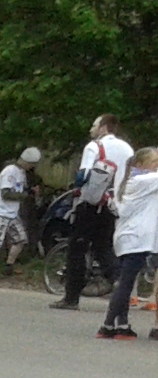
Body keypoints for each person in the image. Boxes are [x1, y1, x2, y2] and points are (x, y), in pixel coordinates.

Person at [54, 115, 133, 311]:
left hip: (90, 204)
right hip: (114, 204)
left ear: (103, 128)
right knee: (103, 246)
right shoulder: (127, 149)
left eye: (94, 125)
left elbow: (83, 175)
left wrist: (77, 187)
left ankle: (71, 297)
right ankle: (118, 280)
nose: (91, 129)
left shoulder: (94, 147)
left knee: (77, 248)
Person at [97, 146, 158, 341]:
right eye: (154, 162)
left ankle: (122, 324)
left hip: (125, 238)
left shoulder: (130, 180)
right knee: (126, 284)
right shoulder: (144, 181)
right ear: (140, 164)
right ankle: (107, 325)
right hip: (137, 239)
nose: (157, 166)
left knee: (125, 281)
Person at [0, 146, 42, 277]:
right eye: (32, 164)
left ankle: (9, 266)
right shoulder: (10, 171)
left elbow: (19, 190)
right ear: (26, 162)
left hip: (11, 214)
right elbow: (6, 194)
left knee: (21, 239)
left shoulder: (21, 173)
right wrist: (26, 195)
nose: (32, 167)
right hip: (1, 213)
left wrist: (30, 192)